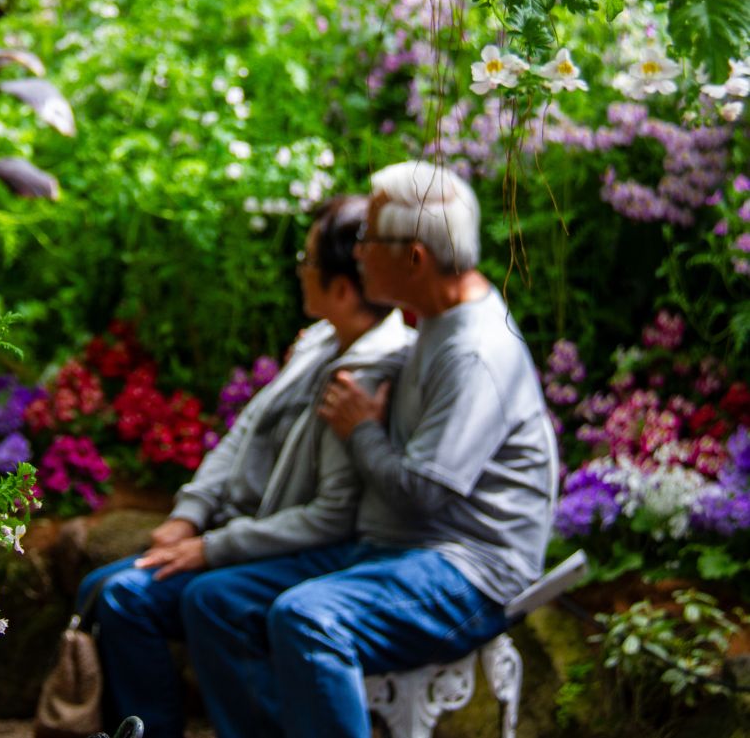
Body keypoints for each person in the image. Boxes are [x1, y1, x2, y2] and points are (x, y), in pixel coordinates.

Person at [181, 160, 559, 738]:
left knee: (310, 618)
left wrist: (360, 430)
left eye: (368, 239)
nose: (356, 254)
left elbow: (424, 498)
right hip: (393, 549)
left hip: (468, 568)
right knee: (216, 602)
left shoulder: (477, 351)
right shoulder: (436, 317)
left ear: (415, 257)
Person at [74, 195, 416, 738]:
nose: (298, 273)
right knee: (102, 588)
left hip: (284, 553)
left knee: (132, 598)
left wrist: (209, 548)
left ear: (343, 288)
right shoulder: (323, 339)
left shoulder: (365, 373)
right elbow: (243, 430)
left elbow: (331, 515)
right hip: (240, 533)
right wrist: (189, 515)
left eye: (306, 263)